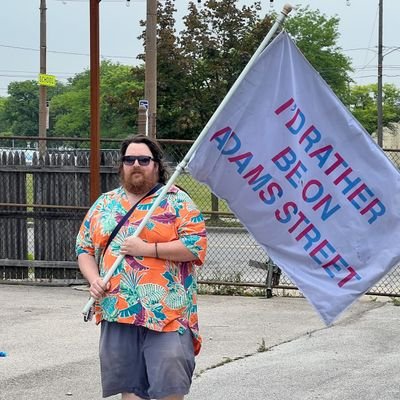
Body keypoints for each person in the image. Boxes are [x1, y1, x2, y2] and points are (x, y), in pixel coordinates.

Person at [76, 135, 207, 400]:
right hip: (118, 311)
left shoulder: (176, 201)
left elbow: (195, 246)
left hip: (168, 315)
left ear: (156, 165)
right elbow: (84, 249)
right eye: (129, 159)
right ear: (121, 165)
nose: (136, 164)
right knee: (131, 392)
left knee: (169, 389)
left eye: (144, 159)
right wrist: (94, 280)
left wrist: (148, 249)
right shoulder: (105, 203)